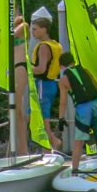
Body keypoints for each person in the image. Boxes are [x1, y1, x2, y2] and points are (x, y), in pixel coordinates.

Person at [54, 51, 97, 173]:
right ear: (73, 62)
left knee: (79, 141)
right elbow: (96, 85)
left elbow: (63, 102)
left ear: (61, 66)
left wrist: (61, 118)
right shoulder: (85, 70)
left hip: (83, 109)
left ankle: (75, 171)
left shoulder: (63, 80)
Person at [29, 12, 63, 151]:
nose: (33, 32)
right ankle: (46, 147)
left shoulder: (43, 47)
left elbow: (41, 69)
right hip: (51, 84)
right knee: (40, 116)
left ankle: (52, 142)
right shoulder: (54, 45)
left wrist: (26, 68)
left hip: (43, 84)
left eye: (35, 29)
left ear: (44, 29)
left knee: (43, 118)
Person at [12, 13, 31, 156]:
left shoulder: (24, 26)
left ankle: (23, 149)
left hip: (19, 67)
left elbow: (10, 36)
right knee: (14, 111)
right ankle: (19, 147)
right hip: (12, 69)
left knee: (18, 110)